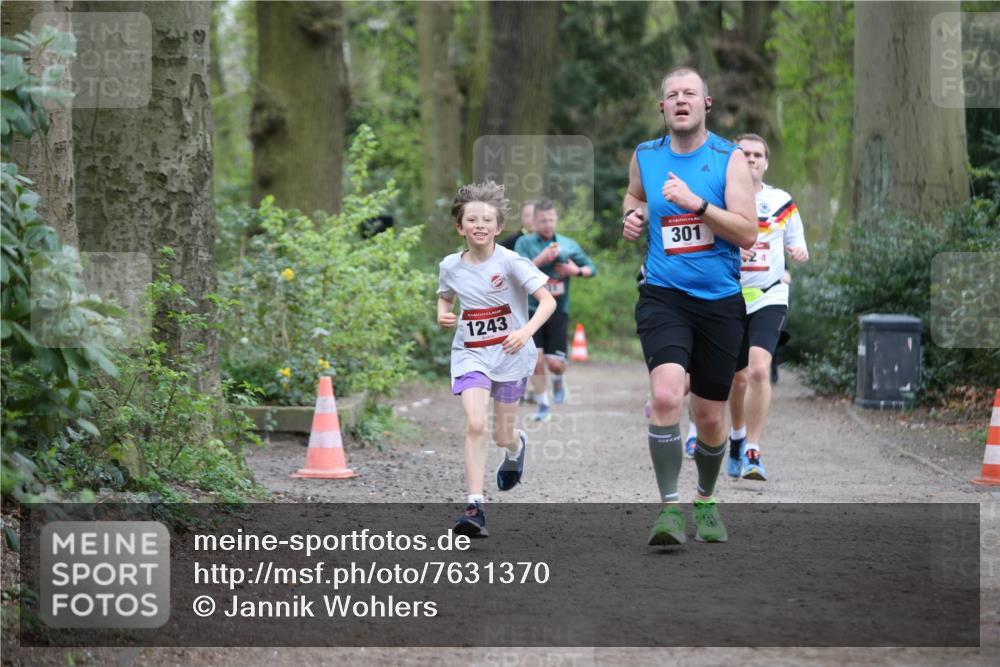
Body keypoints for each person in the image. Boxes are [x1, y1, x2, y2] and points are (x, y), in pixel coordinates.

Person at [622, 66, 757, 546]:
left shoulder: (730, 159)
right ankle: (668, 509)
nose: (681, 100)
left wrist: (697, 204)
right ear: (662, 107)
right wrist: (632, 218)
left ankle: (705, 499)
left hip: (720, 301)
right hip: (663, 294)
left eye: (690, 94)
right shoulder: (646, 156)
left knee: (711, 418)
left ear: (706, 104)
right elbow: (634, 197)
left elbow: (747, 232)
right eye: (672, 95)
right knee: (664, 396)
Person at [437, 182, 556, 537]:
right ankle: (475, 505)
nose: (479, 225)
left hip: (510, 357)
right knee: (475, 424)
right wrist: (443, 313)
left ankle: (516, 445)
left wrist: (525, 332)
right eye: (471, 219)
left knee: (502, 435)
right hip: (471, 355)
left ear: (498, 227)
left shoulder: (511, 262)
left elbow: (547, 301)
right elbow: (445, 297)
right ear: (460, 227)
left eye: (487, 219)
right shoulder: (450, 266)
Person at [725, 134, 809, 481]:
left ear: (766, 162)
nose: (752, 159)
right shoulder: (720, 197)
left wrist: (799, 251)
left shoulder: (781, 201)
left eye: (758, 154)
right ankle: (736, 436)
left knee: (759, 370)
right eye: (744, 153)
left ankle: (753, 450)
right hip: (728, 295)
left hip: (769, 294)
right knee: (738, 377)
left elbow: (796, 239)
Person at [514, 199, 597, 421]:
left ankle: (559, 379)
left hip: (558, 311)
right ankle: (543, 406)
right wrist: (541, 259)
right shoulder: (524, 243)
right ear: (534, 221)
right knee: (535, 359)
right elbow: (516, 272)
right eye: (543, 221)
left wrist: (575, 270)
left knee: (556, 365)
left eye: (551, 220)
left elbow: (592, 269)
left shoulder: (568, 244)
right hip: (531, 309)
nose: (548, 225)